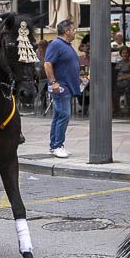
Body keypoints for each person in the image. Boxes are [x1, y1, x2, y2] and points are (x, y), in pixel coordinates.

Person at [43, 20, 81, 158]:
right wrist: (54, 82)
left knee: (59, 115)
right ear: (67, 31)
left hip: (66, 86)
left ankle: (55, 145)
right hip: (60, 87)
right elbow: (47, 64)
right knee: (63, 115)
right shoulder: (56, 44)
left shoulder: (65, 45)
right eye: (74, 29)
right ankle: (57, 145)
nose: (75, 32)